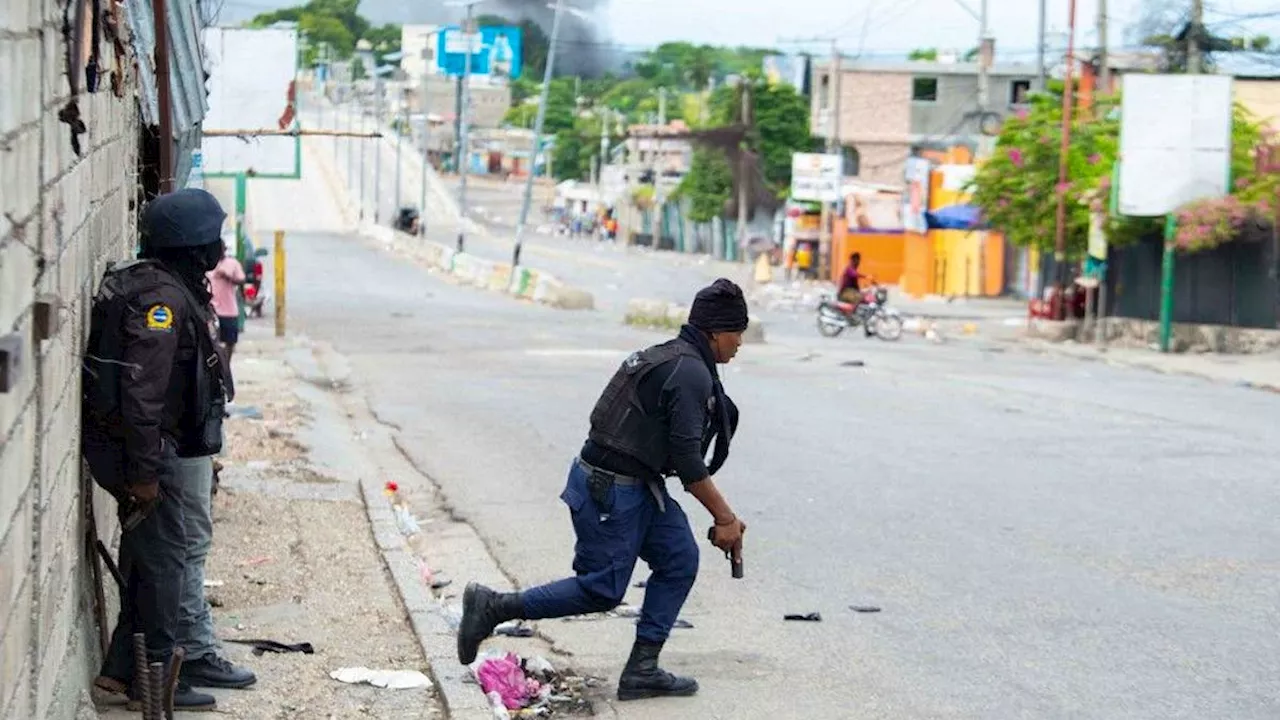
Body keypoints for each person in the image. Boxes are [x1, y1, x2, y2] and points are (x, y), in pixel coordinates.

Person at [457, 278, 750, 702]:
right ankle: (494, 606)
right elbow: (687, 461)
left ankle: (642, 670)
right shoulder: (688, 371)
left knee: (680, 557)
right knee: (602, 589)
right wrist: (724, 517)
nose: (740, 342)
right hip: (611, 490)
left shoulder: (679, 358)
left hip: (637, 485)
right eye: (736, 332)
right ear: (714, 333)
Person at [83, 189, 256, 712]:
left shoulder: (173, 286)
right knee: (164, 567)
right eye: (211, 238)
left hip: (155, 454)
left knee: (147, 562)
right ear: (190, 244)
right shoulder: (160, 300)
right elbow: (142, 394)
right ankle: (155, 683)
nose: (219, 247)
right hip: (152, 458)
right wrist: (145, 472)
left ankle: (119, 672)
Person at [207, 244, 245, 363]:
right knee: (212, 340)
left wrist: (228, 277)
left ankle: (226, 363)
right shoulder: (208, 264)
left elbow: (242, 280)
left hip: (228, 310)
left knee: (230, 341)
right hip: (212, 310)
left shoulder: (232, 263)